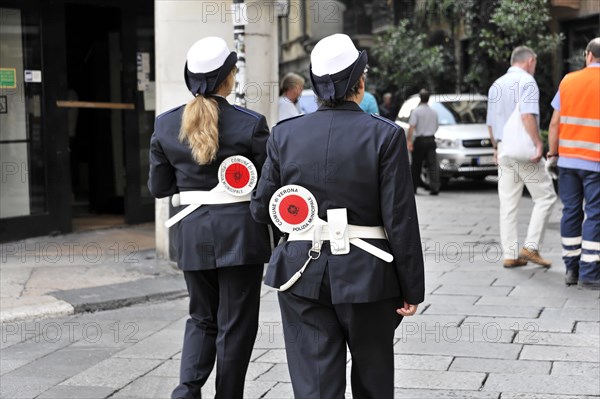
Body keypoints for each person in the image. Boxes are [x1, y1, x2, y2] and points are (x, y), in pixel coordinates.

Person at [250, 33, 424, 398]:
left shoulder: (284, 135)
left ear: (314, 85)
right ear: (360, 83)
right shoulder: (385, 135)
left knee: (314, 385)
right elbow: (400, 218)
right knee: (373, 382)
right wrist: (411, 286)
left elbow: (260, 206)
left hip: (301, 271)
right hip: (369, 272)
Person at [147, 36, 272, 398]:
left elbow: (158, 188)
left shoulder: (166, 125)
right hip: (240, 238)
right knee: (236, 324)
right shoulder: (251, 124)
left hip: (192, 234)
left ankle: (187, 389)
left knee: (202, 317)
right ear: (230, 78)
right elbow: (266, 187)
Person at [486, 45, 557, 268]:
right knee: (545, 197)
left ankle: (509, 254)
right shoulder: (527, 81)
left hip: (504, 151)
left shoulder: (496, 84)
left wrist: (496, 147)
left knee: (508, 203)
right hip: (524, 152)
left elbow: (490, 123)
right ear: (530, 61)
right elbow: (527, 116)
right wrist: (538, 143)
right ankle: (531, 247)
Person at [547, 37, 600, 290]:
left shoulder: (568, 80)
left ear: (588, 55)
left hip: (568, 161)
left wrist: (551, 154)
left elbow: (555, 123)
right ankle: (590, 272)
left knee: (570, 212)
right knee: (595, 215)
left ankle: (571, 268)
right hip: (596, 163)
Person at [407, 89, 440, 195]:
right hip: (431, 139)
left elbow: (412, 127)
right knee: (432, 165)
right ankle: (434, 187)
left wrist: (409, 141)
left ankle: (414, 188)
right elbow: (436, 127)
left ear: (420, 98)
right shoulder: (434, 112)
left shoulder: (416, 111)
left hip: (420, 141)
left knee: (416, 165)